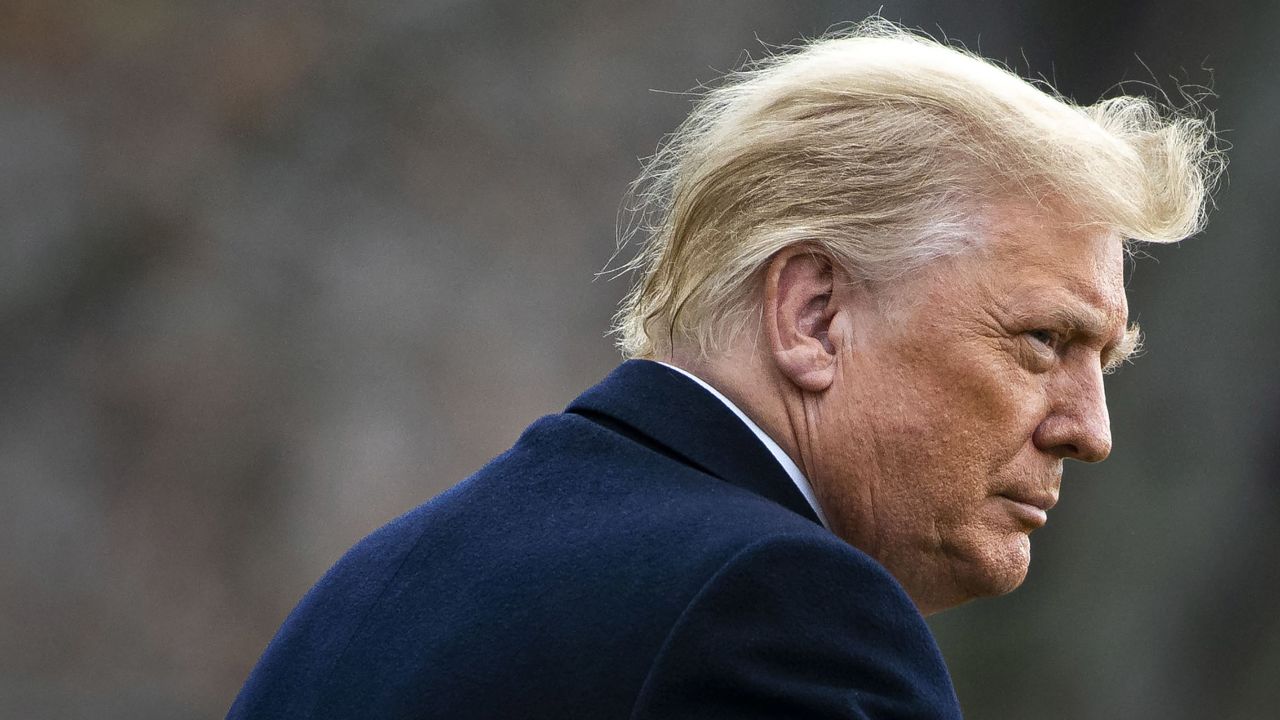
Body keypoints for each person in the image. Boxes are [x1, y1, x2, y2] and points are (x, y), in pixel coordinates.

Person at [229, 20, 1218, 719]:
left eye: (1103, 360)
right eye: (1041, 342)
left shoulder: (378, 587)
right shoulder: (778, 613)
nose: (1089, 430)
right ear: (812, 314)